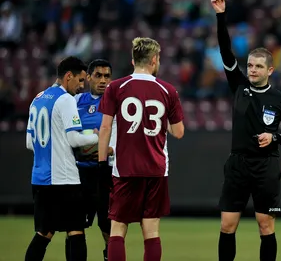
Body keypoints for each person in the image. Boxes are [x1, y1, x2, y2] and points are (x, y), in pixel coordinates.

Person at [211, 0, 281, 261]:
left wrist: (274, 137)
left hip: (266, 168)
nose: (252, 70)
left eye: (258, 66)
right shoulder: (238, 86)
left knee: (266, 226)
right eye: (250, 65)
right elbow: (225, 49)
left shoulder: (280, 99)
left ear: (270, 70)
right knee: (227, 225)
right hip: (238, 165)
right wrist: (220, 16)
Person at [97, 37, 185, 261]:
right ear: (155, 60)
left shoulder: (116, 87)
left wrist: (100, 163)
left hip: (125, 168)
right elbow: (179, 132)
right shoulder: (168, 90)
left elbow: (105, 127)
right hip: (156, 168)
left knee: (118, 227)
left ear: (133, 59)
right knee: (151, 229)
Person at [25, 56, 98, 261]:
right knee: (76, 231)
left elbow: (30, 143)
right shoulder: (65, 99)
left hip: (39, 179)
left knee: (44, 234)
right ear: (68, 76)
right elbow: (74, 138)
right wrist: (97, 136)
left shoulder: (38, 98)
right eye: (80, 80)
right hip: (64, 179)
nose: (82, 86)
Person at [74, 59, 114, 261]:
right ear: (88, 77)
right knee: (75, 228)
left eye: (107, 76)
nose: (103, 80)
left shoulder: (117, 102)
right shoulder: (75, 101)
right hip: (79, 173)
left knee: (108, 227)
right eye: (98, 75)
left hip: (105, 173)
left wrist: (109, 148)